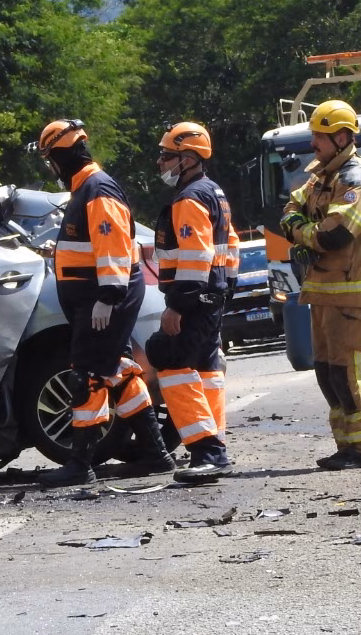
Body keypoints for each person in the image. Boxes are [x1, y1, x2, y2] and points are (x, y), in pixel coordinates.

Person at [33, 119, 172, 488]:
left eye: (51, 158)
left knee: (88, 376)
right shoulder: (86, 189)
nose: (51, 167)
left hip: (105, 299)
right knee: (119, 372)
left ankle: (81, 461)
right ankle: (155, 453)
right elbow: (92, 244)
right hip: (99, 298)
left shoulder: (97, 189)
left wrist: (108, 297)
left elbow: (112, 248)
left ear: (65, 155)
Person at [279, 100, 361, 470]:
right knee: (326, 372)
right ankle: (345, 446)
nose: (313, 145)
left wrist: (301, 233)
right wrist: (303, 229)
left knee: (347, 374)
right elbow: (290, 208)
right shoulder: (321, 175)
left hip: (350, 295)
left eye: (319, 137)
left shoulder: (355, 179)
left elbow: (336, 233)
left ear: (341, 137)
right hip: (323, 293)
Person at [147, 122, 240, 483]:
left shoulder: (189, 199)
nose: (160, 162)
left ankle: (206, 450)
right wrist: (223, 291)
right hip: (211, 298)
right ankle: (213, 444)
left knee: (167, 358)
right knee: (206, 369)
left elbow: (197, 256)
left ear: (187, 159)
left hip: (194, 300)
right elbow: (229, 247)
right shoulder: (213, 192)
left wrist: (179, 305)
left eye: (167, 156)